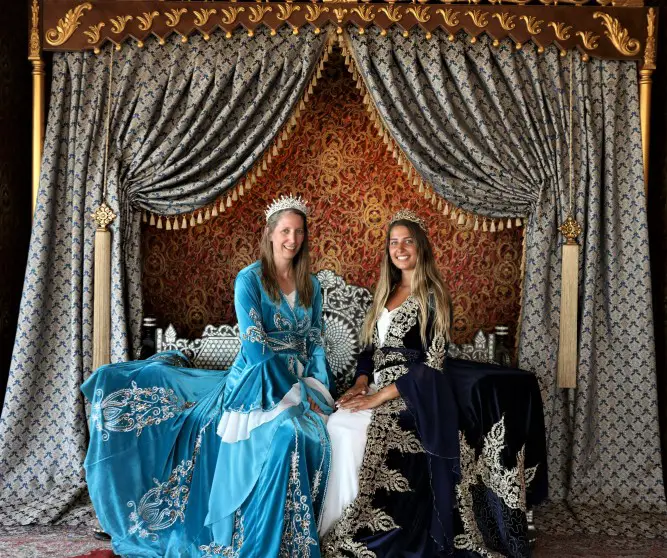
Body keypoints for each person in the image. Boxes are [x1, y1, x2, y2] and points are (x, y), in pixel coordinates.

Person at [82, 195, 335, 557]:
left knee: (311, 431)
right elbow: (255, 348)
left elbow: (315, 342)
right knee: (278, 432)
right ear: (269, 233)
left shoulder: (312, 284)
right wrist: (296, 393)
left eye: (298, 232)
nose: (291, 239)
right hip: (257, 383)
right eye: (284, 231)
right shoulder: (249, 279)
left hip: (302, 383)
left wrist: (318, 388)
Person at [319, 209, 459, 557]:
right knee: (335, 421)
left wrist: (378, 397)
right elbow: (370, 351)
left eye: (407, 241)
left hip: (414, 393)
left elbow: (433, 363)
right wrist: (360, 384)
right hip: (376, 387)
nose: (400, 248)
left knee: (350, 430)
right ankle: (329, 525)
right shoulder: (386, 292)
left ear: (421, 247)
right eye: (394, 242)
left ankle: (354, 527)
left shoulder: (434, 295)